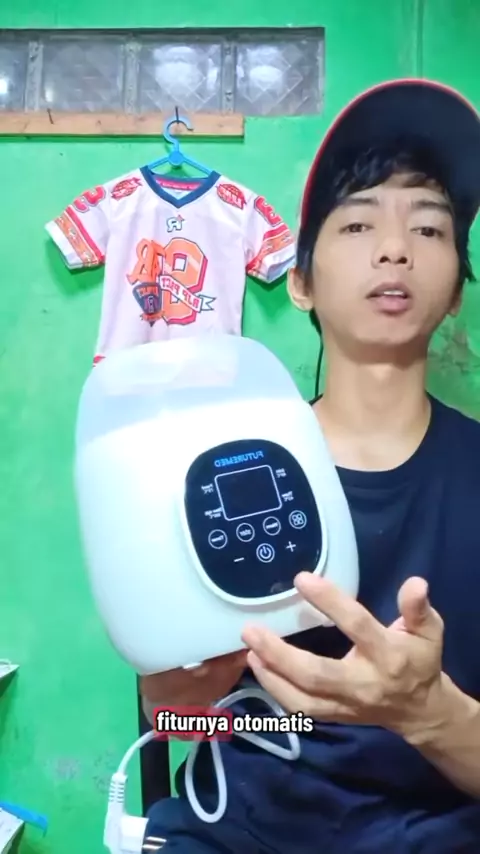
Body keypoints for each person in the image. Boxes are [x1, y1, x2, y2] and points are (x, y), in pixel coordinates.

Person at [140, 79, 480, 852]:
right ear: (299, 282)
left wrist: (428, 714)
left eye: (430, 228)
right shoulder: (210, 473)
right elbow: (171, 721)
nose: (394, 248)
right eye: (358, 222)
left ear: (459, 290)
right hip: (232, 831)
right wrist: (190, 689)